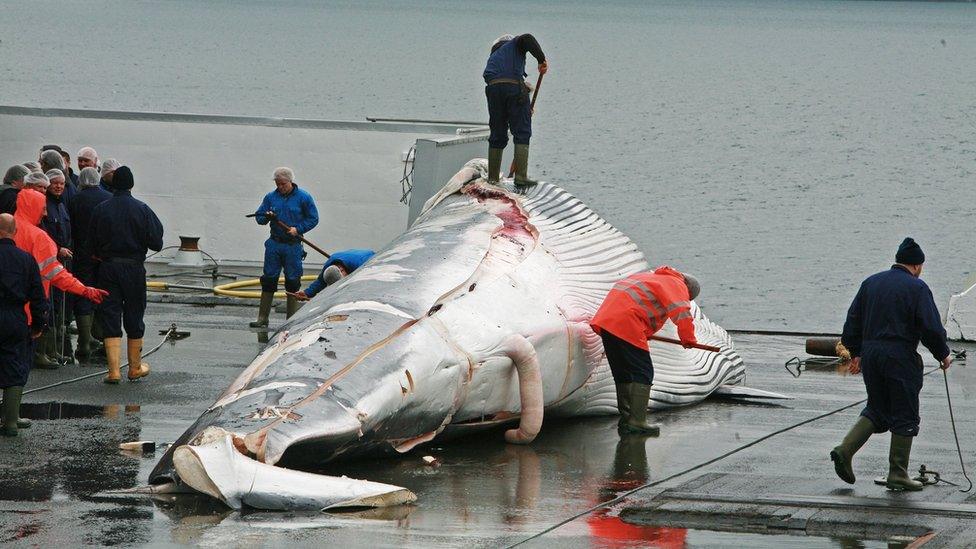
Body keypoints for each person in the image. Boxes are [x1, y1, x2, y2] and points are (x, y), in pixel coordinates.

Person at [831, 238, 951, 491]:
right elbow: (930, 327)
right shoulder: (917, 289)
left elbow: (852, 321)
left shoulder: (871, 283)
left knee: (877, 408)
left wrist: (856, 352)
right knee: (905, 412)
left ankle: (845, 449)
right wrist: (943, 354)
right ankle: (898, 473)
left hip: (872, 355)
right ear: (917, 266)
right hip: (900, 357)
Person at [590, 266, 700, 436]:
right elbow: (681, 312)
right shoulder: (676, 283)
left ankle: (627, 420)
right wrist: (688, 339)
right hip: (626, 324)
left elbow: (642, 306)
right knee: (643, 372)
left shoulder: (649, 278)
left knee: (623, 372)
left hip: (607, 323)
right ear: (687, 288)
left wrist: (645, 333)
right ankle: (637, 422)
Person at [12, 190, 107, 369]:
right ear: (33, 207)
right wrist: (85, 290)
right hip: (28, 309)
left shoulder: (7, 229)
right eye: (43, 208)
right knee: (17, 369)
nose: (46, 213)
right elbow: (57, 275)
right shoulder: (39, 238)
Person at [88, 166, 163, 383]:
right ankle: (134, 368)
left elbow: (90, 244)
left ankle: (113, 371)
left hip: (108, 268)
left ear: (113, 184)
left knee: (110, 314)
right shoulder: (143, 209)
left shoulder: (101, 209)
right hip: (133, 268)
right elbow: (156, 242)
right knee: (134, 314)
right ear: (131, 185)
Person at [250, 167, 319, 327]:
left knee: (293, 280)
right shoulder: (270, 197)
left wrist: (298, 229)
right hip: (274, 244)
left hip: (292, 246)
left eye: (282, 184)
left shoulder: (304, 197)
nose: (280, 187)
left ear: (290, 181)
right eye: (277, 184)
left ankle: (291, 320)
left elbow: (313, 218)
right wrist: (265, 216)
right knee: (268, 279)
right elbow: (259, 218)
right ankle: (262, 318)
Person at [0, 213, 48, 437]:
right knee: (14, 366)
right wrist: (38, 324)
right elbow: (38, 297)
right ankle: (10, 421)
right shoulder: (25, 260)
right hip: (13, 317)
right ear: (14, 232)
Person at [482, 33, 548, 186]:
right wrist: (541, 59)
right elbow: (527, 38)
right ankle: (521, 178)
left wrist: (523, 108)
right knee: (522, 131)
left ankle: (492, 179)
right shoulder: (514, 44)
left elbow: (503, 83)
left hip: (493, 90)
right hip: (513, 89)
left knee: (497, 133)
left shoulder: (494, 58)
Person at [68, 167, 112, 362]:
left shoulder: (74, 199)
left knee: (82, 293)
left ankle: (84, 342)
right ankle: (100, 335)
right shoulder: (108, 197)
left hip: (80, 254)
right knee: (101, 293)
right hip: (102, 256)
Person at [42, 169, 74, 363]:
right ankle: (46, 351)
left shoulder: (61, 205)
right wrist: (58, 249)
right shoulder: (45, 205)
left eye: (62, 183)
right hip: (51, 260)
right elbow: (45, 234)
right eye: (55, 183)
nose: (59, 186)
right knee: (50, 304)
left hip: (61, 260)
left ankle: (53, 350)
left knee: (57, 304)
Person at [292, 249, 375, 301]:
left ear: (342, 271)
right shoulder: (330, 264)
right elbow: (321, 281)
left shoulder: (361, 266)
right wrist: (307, 293)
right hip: (352, 256)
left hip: (370, 259)